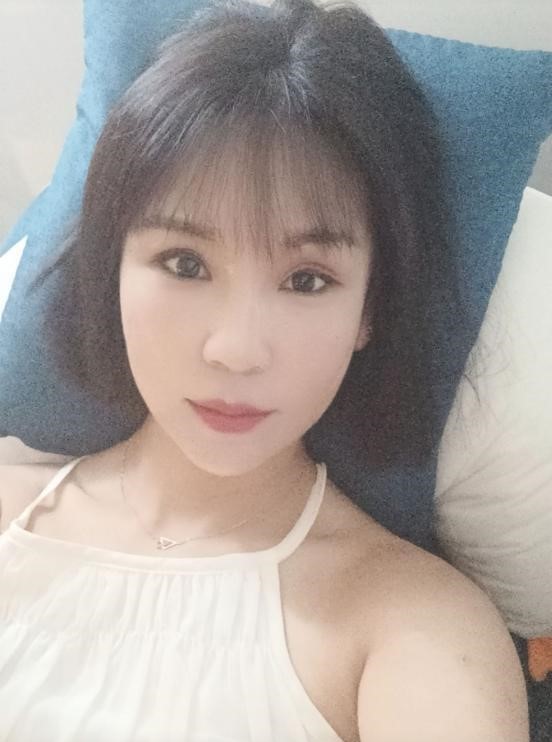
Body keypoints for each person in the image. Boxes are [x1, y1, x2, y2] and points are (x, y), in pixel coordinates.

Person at [0, 0, 528, 740]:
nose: (236, 350)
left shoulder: (411, 627)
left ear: (369, 311)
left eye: (307, 280)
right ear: (112, 270)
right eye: (184, 264)